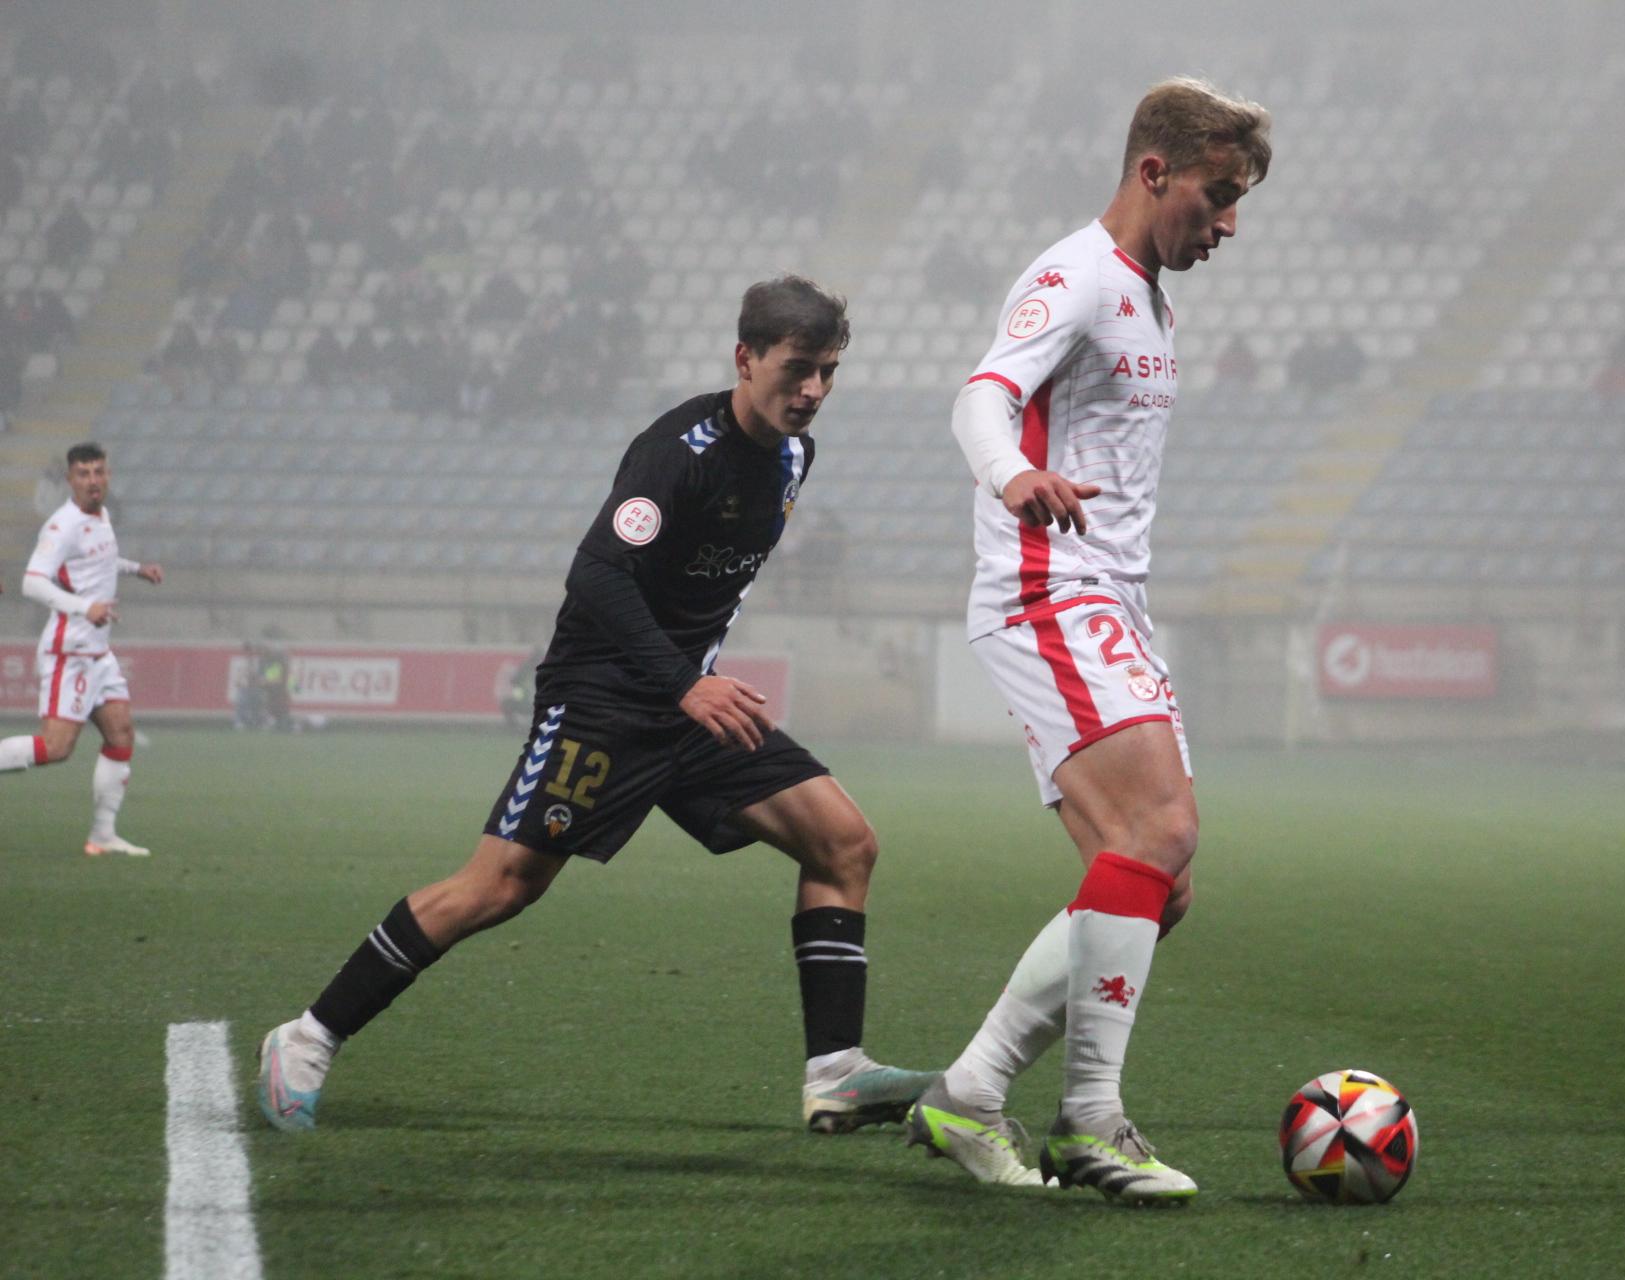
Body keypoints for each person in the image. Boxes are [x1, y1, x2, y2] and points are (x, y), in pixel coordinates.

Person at [256, 276, 937, 1138]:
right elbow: (598, 574)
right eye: (798, 368)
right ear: (745, 357)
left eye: (829, 372)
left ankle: (837, 1072)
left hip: (694, 708)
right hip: (605, 696)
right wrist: (683, 680)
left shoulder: (797, 456)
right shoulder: (676, 452)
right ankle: (310, 1035)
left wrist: (693, 685)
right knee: (501, 885)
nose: (813, 391)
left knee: (844, 843)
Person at [907, 77, 1270, 1204]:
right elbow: (979, 395)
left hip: (1107, 596)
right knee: (1160, 828)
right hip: (1047, 585)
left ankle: (967, 1094)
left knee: (1156, 884)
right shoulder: (1076, 274)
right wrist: (1014, 473)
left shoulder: (1153, 300)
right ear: (1153, 171)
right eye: (1216, 196)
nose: (1227, 225)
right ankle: (1089, 1121)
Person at [0, 443, 165, 855]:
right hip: (68, 651)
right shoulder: (63, 525)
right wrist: (83, 607)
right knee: (56, 748)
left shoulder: (101, 516)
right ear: (71, 480)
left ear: (107, 475)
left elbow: (99, 560)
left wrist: (135, 569)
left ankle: (103, 835)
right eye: (84, 474)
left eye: (99, 472)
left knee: (121, 734)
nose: (93, 481)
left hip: (98, 654)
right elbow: (32, 582)